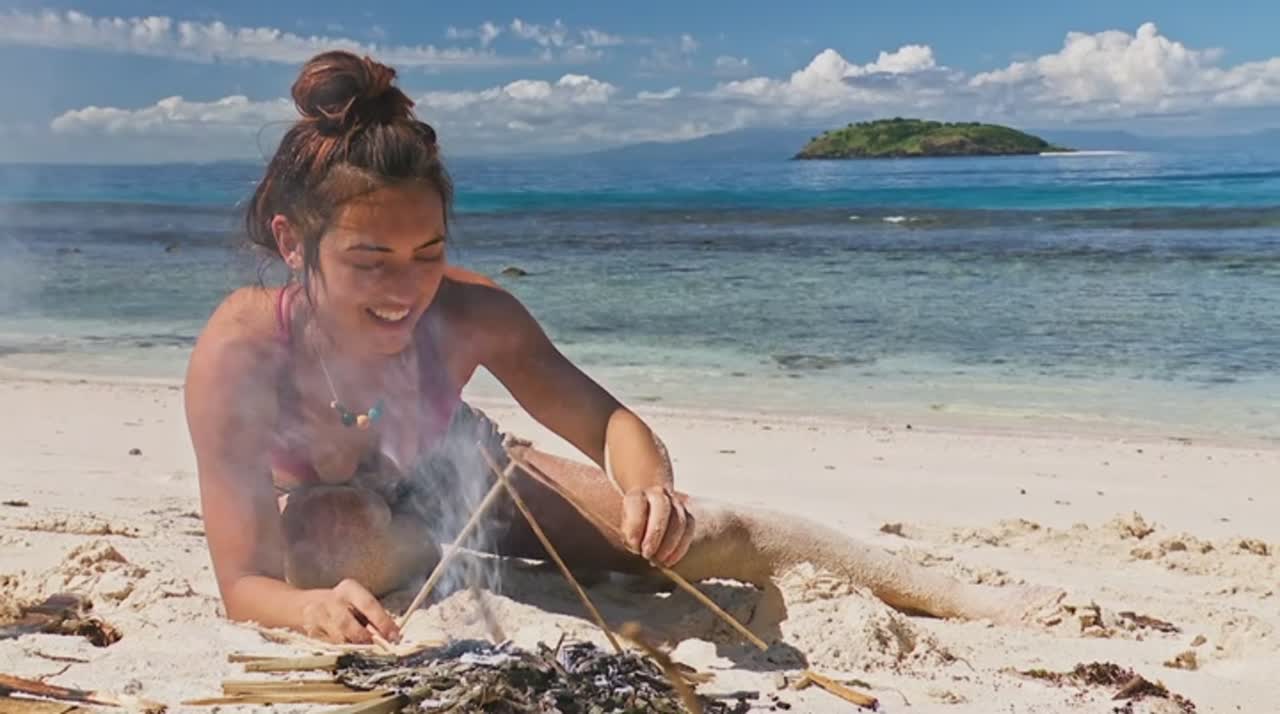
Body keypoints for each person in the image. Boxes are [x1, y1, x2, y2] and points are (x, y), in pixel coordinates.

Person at [184, 50, 1063, 646]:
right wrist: (305, 613)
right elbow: (244, 584)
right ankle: (438, 556)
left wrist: (650, 488)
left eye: (428, 253)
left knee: (699, 537)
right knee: (328, 546)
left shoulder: (472, 314)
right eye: (370, 259)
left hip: (478, 479)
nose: (405, 288)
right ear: (293, 242)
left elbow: (609, 423)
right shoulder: (242, 352)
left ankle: (951, 594)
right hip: (353, 525)